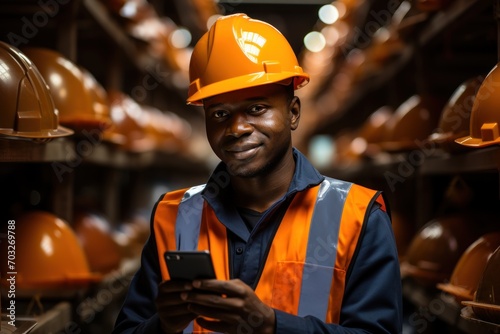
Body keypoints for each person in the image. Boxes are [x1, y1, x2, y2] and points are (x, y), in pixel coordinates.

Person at [112, 13, 403, 334]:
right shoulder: (173, 216)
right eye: (220, 113)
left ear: (293, 113)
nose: (236, 128)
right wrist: (162, 327)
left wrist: (272, 326)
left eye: (256, 109)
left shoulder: (359, 217)